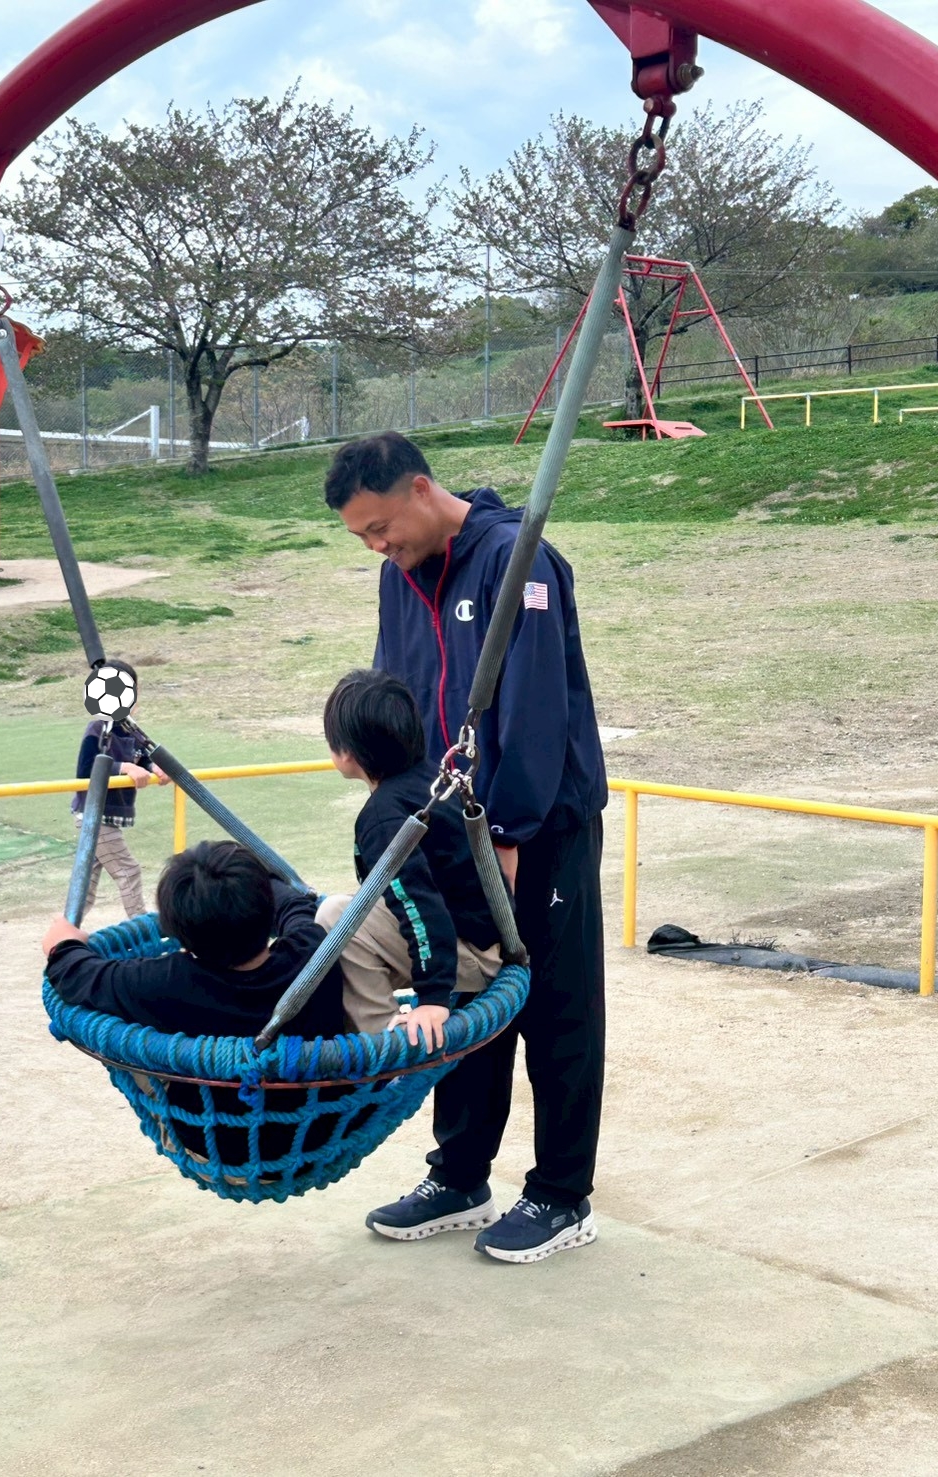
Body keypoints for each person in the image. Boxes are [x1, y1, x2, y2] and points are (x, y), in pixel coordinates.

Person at [324, 431, 607, 1265]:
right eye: (362, 537)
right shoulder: (398, 577)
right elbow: (397, 699)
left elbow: (537, 710)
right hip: (445, 825)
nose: (377, 546)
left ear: (420, 489)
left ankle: (561, 1193)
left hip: (535, 828)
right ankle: (459, 1174)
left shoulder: (519, 561)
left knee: (554, 1005)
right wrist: (394, 802)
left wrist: (508, 837)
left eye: (381, 527)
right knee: (455, 985)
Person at [43, 840, 346, 1168]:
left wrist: (62, 944)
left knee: (121, 1024)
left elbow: (74, 974)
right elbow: (296, 905)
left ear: (176, 932)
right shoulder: (313, 952)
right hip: (319, 1138)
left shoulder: (167, 981)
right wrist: (248, 881)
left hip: (214, 1150)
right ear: (267, 911)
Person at [316, 668, 503, 1073]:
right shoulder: (432, 780)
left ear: (346, 753)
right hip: (483, 936)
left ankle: (381, 1041)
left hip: (469, 954)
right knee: (348, 910)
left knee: (333, 919)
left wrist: (433, 997)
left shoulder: (383, 818)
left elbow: (419, 904)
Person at [70, 660, 166, 919]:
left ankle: (67, 927)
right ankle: (141, 925)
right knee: (129, 871)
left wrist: (154, 767)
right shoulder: (98, 728)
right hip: (95, 816)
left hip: (107, 816)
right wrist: (124, 767)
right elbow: (87, 769)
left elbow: (142, 758)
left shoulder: (129, 729)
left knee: (85, 886)